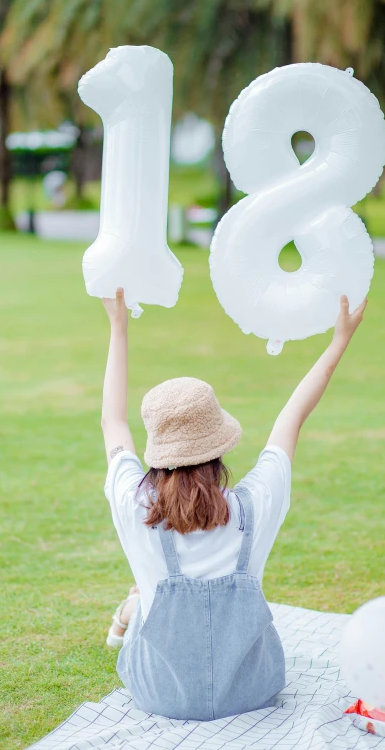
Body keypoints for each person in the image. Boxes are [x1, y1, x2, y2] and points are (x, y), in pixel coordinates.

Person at [101, 287, 367, 720]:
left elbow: (112, 421)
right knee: (144, 593)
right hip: (252, 692)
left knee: (144, 594)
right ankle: (134, 601)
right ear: (219, 448)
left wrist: (118, 326)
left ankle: (132, 604)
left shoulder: (135, 503)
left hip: (162, 698)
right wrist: (340, 339)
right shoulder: (254, 505)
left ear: (159, 452)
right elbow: (292, 416)